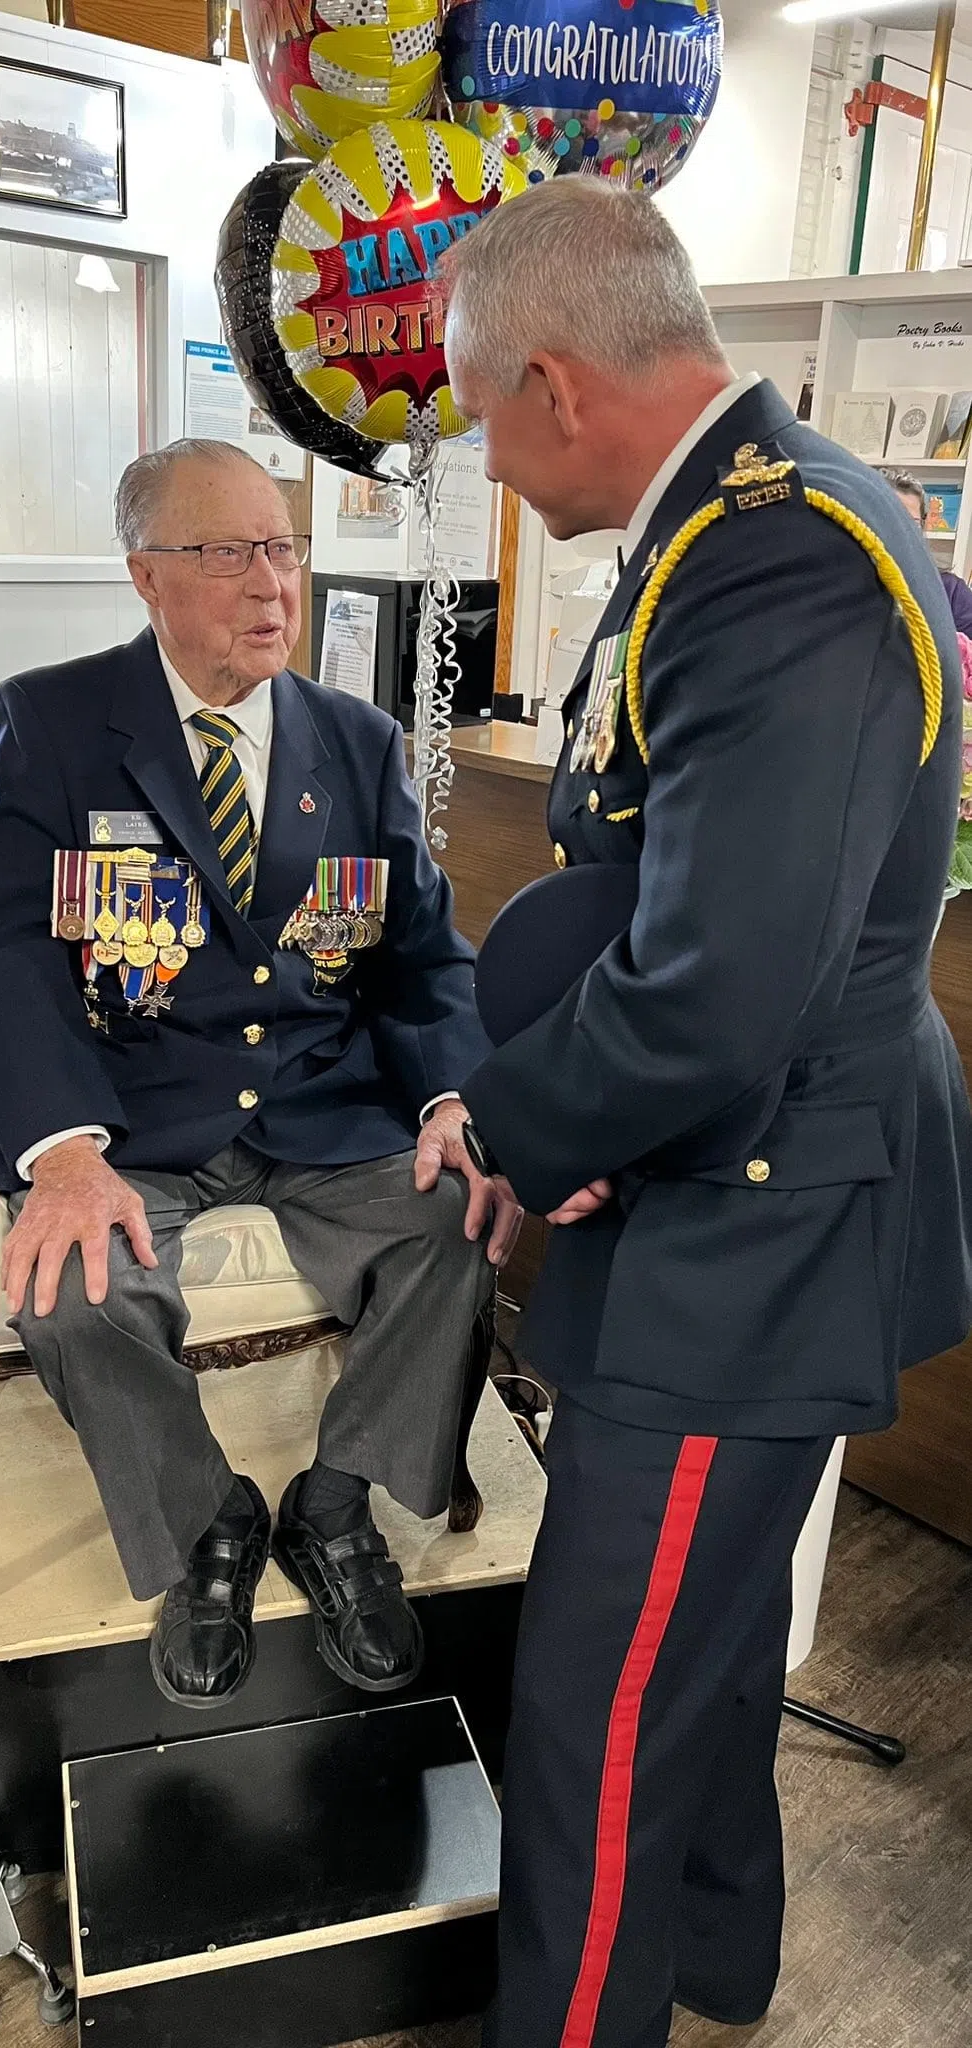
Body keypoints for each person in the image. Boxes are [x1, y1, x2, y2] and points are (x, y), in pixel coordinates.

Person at [440, 184, 972, 2048]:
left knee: (599, 1699)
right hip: (744, 1181)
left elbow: (714, 990)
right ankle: (724, 1953)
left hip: (748, 1219)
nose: (486, 461)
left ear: (555, 384)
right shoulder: (753, 519)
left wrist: (513, 1127)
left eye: (479, 415)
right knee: (714, 1645)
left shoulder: (779, 557)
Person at [0, 439, 522, 1711]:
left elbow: (426, 955)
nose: (272, 584)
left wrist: (447, 1103)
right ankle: (209, 1520)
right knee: (71, 1284)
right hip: (135, 1112)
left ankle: (335, 1499)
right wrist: (62, 1151)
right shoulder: (55, 722)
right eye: (229, 552)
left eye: (286, 548)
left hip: (322, 1099)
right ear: (147, 574)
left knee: (458, 1212)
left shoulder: (359, 744)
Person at [881, 465, 972, 632]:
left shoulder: (951, 592)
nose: (900, 530)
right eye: (889, 519)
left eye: (911, 523)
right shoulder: (845, 587)